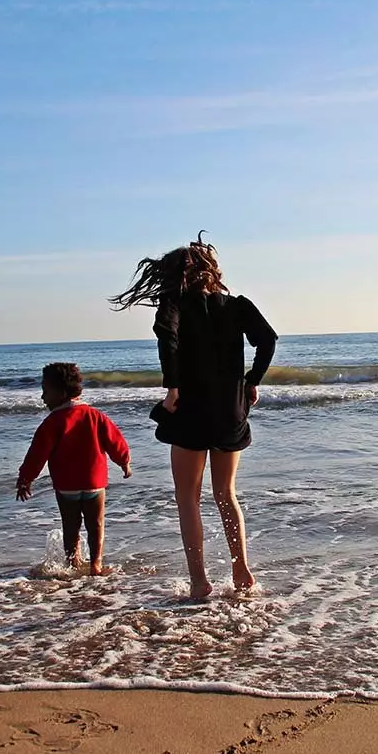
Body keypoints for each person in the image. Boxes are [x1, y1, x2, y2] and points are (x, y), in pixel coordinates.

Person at [110, 234, 277, 599]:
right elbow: (268, 340)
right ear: (210, 271)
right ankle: (241, 568)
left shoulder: (175, 305)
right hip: (230, 407)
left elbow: (166, 336)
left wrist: (172, 387)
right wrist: (252, 381)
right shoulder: (238, 306)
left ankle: (199, 581)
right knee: (225, 493)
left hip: (191, 408)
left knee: (187, 496)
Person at [16, 362, 133, 576]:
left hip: (66, 485)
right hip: (94, 483)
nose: (42, 398)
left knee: (71, 527)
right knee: (96, 524)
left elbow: (36, 455)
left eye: (45, 391)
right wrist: (124, 462)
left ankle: (73, 563)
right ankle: (96, 564)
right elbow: (115, 441)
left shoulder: (52, 422)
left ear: (60, 393)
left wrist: (25, 479)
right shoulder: (96, 416)